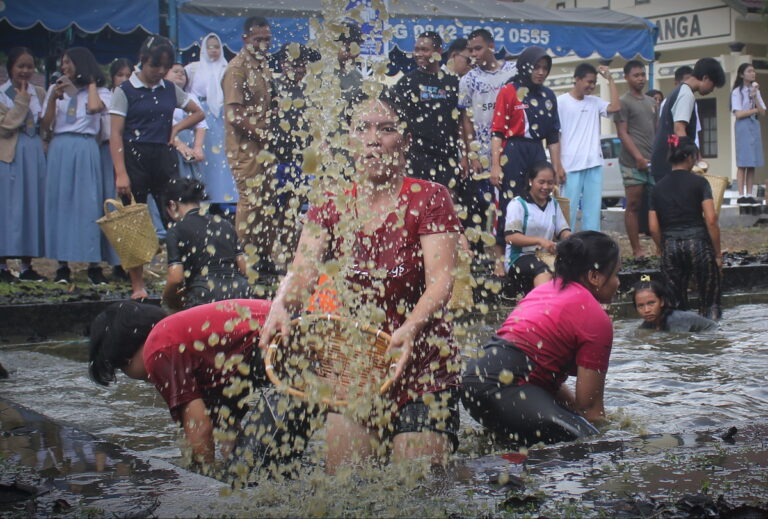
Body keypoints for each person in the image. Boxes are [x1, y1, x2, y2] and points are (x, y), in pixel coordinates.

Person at [259, 94, 462, 473]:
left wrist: (409, 328)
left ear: (404, 140)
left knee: (417, 484)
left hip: (423, 363)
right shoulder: (330, 201)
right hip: (357, 363)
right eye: (362, 129)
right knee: (345, 484)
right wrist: (282, 306)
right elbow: (302, 271)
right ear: (350, 140)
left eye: (386, 129)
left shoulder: (429, 197)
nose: (373, 140)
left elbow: (441, 283)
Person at [463, 231, 620, 446]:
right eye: (616, 274)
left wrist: (570, 413)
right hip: (505, 387)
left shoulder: (545, 290)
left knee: (542, 436)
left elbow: (540, 374)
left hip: (473, 381)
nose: (618, 282)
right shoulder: (595, 316)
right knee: (591, 443)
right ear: (594, 276)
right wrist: (611, 436)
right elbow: (590, 409)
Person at [88, 299, 272, 465]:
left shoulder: (157, 349)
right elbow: (225, 427)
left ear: (124, 356)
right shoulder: (187, 344)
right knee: (248, 462)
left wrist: (204, 481)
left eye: (121, 368)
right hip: (278, 329)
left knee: (263, 461)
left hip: (276, 340)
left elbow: (199, 428)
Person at [110, 35, 204, 299]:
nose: (160, 71)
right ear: (143, 61)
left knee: (175, 216)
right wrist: (121, 173)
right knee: (133, 221)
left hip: (164, 157)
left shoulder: (170, 89)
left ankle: (182, 279)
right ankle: (138, 285)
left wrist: (176, 128)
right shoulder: (125, 91)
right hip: (134, 157)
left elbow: (198, 112)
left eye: (166, 66)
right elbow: (115, 134)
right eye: (155, 65)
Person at [41, 47, 118, 285]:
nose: (64, 67)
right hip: (61, 146)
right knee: (60, 203)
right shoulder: (55, 90)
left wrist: (91, 82)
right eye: (62, 63)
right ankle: (62, 265)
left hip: (86, 146)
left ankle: (92, 264)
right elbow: (46, 124)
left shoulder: (101, 92)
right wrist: (53, 98)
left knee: (89, 204)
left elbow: (95, 108)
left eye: (68, 62)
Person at [490, 46, 562, 268]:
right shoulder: (509, 90)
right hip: (513, 150)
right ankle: (500, 259)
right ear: (525, 66)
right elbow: (497, 132)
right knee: (508, 201)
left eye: (545, 68)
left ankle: (538, 251)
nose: (540, 72)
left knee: (540, 198)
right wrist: (495, 165)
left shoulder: (548, 95)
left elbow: (553, 136)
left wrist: (557, 166)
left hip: (537, 150)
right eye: (536, 67)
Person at [222, 16, 277, 274]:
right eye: (258, 39)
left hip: (264, 146)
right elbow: (234, 115)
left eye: (267, 39)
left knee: (266, 200)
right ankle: (241, 259)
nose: (264, 44)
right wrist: (261, 135)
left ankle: (263, 256)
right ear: (245, 39)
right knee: (250, 202)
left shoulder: (263, 65)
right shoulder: (237, 68)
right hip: (246, 148)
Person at [649, 136, 721, 320]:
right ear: (689, 157)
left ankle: (679, 336)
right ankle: (713, 335)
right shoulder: (700, 183)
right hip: (698, 244)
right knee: (710, 303)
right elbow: (711, 220)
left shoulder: (657, 188)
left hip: (671, 246)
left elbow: (653, 227)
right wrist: (717, 254)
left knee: (675, 306)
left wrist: (662, 247)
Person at [458, 29, 515, 260]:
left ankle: (511, 252)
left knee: (511, 201)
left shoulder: (512, 71)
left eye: (478, 48)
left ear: (491, 46)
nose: (474, 54)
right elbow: (466, 119)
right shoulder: (468, 80)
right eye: (471, 50)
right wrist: (471, 153)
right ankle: (485, 255)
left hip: (510, 148)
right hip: (482, 152)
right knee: (484, 204)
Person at [161, 177, 250, 310]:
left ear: (172, 205)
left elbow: (176, 278)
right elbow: (244, 268)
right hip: (241, 292)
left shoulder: (176, 230)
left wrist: (167, 300)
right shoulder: (225, 224)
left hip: (205, 295)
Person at [391, 31, 463, 189]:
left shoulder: (452, 82)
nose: (418, 54)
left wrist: (464, 155)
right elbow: (396, 120)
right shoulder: (406, 82)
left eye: (424, 50)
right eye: (416, 49)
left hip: (447, 156)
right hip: (417, 156)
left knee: (447, 199)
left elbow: (461, 121)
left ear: (438, 52)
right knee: (418, 199)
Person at [0, 47, 47, 283]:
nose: (25, 71)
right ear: (11, 68)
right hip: (10, 154)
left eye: (29, 66)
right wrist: (21, 101)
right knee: (8, 208)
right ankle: (3, 264)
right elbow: (5, 126)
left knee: (32, 205)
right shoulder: (2, 94)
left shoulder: (40, 92)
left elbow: (47, 123)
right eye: (21, 66)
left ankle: (28, 264)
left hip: (34, 153)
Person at [558, 63, 620, 232]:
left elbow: (616, 107)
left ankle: (591, 244)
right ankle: (564, 244)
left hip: (594, 163)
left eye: (594, 83)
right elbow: (555, 136)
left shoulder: (595, 102)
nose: (592, 86)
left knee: (592, 212)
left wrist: (610, 79)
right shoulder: (561, 102)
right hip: (570, 165)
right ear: (577, 80)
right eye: (589, 82)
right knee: (566, 213)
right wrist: (557, 166)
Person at [271, 43, 320, 256]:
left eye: (302, 65)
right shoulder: (272, 87)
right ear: (283, 64)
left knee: (295, 206)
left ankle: (291, 250)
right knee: (274, 208)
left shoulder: (311, 91)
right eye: (294, 64)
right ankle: (273, 250)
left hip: (301, 159)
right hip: (276, 158)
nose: (299, 69)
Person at [185, 33, 238, 207]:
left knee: (223, 157)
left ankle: (225, 198)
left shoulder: (227, 68)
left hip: (222, 116)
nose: (213, 50)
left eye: (216, 47)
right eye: (209, 47)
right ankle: (204, 197)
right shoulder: (193, 68)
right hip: (200, 115)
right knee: (205, 156)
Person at [651, 59, 725, 181]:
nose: (712, 90)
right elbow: (679, 129)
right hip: (670, 165)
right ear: (705, 78)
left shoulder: (679, 91)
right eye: (713, 85)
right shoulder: (686, 95)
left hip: (664, 160)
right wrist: (689, 159)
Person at [504, 161, 570, 294]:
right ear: (530, 181)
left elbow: (563, 231)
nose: (546, 187)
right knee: (543, 269)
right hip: (519, 257)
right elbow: (511, 237)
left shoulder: (553, 204)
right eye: (541, 182)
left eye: (550, 183)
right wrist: (540, 241)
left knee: (572, 267)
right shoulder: (518, 204)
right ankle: (543, 304)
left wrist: (571, 239)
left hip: (546, 256)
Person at [614, 60, 657, 257]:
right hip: (632, 163)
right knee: (633, 205)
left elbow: (657, 131)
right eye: (636, 75)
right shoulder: (623, 102)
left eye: (643, 75)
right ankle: (637, 250)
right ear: (626, 77)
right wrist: (638, 157)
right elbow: (622, 133)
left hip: (652, 162)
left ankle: (660, 248)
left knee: (657, 205)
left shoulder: (652, 102)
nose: (640, 79)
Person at [101, 59, 133, 282]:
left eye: (128, 75)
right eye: (120, 75)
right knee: (108, 206)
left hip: (128, 154)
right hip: (106, 154)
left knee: (127, 209)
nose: (124, 79)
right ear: (112, 77)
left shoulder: (135, 96)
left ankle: (125, 263)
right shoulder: (105, 96)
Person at [731, 62, 765, 204]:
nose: (753, 73)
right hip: (743, 126)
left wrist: (754, 96)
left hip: (754, 125)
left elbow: (763, 111)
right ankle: (741, 194)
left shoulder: (755, 90)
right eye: (749, 71)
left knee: (752, 162)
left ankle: (750, 193)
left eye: (753, 71)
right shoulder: (737, 92)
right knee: (743, 162)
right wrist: (754, 110)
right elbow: (738, 114)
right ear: (741, 74)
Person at [165, 63, 207, 181]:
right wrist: (179, 144)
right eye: (175, 71)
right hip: (169, 143)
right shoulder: (162, 95)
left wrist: (197, 147)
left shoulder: (191, 97)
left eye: (183, 73)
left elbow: (201, 123)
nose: (180, 74)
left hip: (189, 145)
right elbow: (165, 122)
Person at [632, 278, 718, 332]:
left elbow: (678, 347)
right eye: (641, 306)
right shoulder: (648, 324)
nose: (646, 310)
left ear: (662, 302)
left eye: (651, 303)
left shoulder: (676, 320)